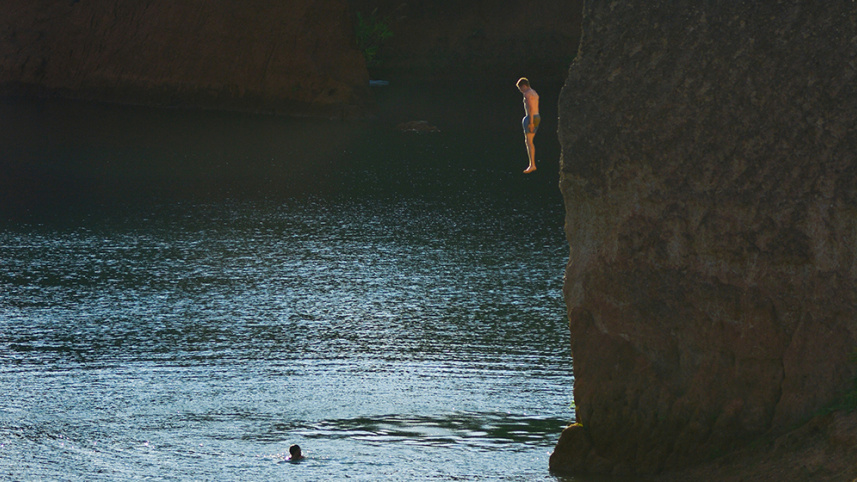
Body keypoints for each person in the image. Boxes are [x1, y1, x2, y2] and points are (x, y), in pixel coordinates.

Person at [516, 77, 540, 174]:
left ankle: (532, 164)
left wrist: (530, 122)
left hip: (531, 118)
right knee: (530, 141)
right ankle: (532, 164)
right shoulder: (534, 92)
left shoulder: (527, 94)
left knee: (528, 142)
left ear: (524, 86)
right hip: (537, 117)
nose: (521, 91)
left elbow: (530, 108)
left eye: (520, 89)